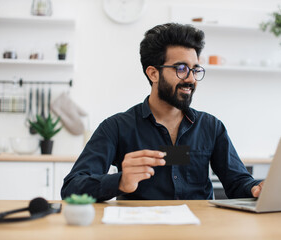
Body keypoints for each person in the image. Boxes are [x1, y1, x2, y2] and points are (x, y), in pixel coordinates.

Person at [61, 23, 263, 202]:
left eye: (195, 69)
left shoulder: (211, 127)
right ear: (153, 73)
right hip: (141, 230)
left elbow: (238, 181)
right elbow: (72, 188)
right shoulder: (116, 127)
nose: (191, 79)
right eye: (181, 68)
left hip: (199, 230)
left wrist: (255, 188)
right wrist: (120, 182)